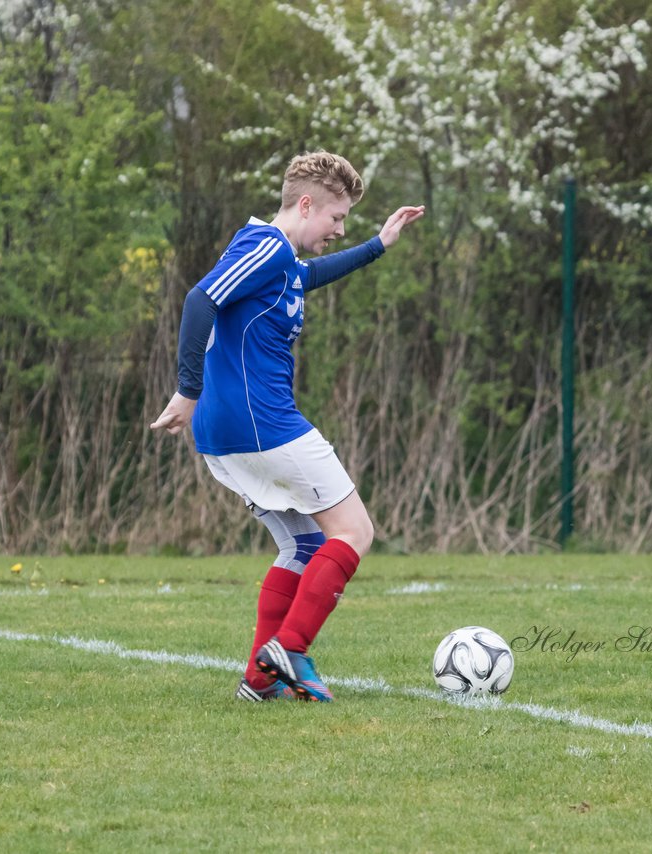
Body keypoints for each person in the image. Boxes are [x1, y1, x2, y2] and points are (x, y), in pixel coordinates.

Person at [150, 151, 424, 702]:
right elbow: (200, 299)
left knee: (303, 545)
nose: (339, 228)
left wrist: (377, 246)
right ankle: (290, 649)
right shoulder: (268, 246)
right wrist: (186, 390)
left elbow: (308, 275)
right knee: (354, 532)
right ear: (305, 204)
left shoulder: (273, 256)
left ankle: (258, 679)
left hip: (229, 434)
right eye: (336, 217)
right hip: (263, 424)